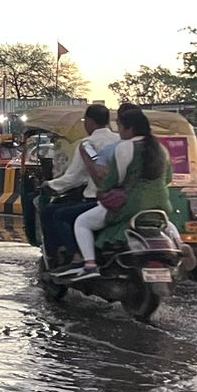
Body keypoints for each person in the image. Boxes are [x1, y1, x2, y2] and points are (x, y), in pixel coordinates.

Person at [61, 106, 174, 280]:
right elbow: (168, 179)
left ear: (130, 128)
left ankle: (90, 265)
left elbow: (114, 179)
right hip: (161, 203)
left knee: (82, 222)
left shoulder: (123, 147)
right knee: (167, 225)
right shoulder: (161, 149)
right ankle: (179, 245)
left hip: (131, 205)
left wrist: (103, 191)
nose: (119, 131)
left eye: (120, 126)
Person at [39, 104, 119, 260]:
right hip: (121, 198)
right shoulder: (120, 140)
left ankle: (74, 255)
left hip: (97, 199)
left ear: (89, 122)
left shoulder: (88, 144)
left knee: (55, 214)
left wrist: (50, 184)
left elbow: (74, 177)